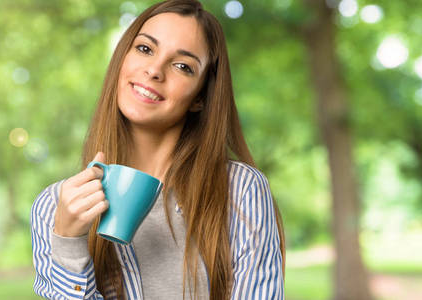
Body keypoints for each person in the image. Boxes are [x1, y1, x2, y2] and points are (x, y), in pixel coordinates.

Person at [30, 0, 285, 299]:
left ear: (200, 97)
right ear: (122, 59)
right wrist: (69, 243)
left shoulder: (241, 191)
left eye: (182, 66)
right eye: (145, 49)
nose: (154, 70)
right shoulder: (55, 208)